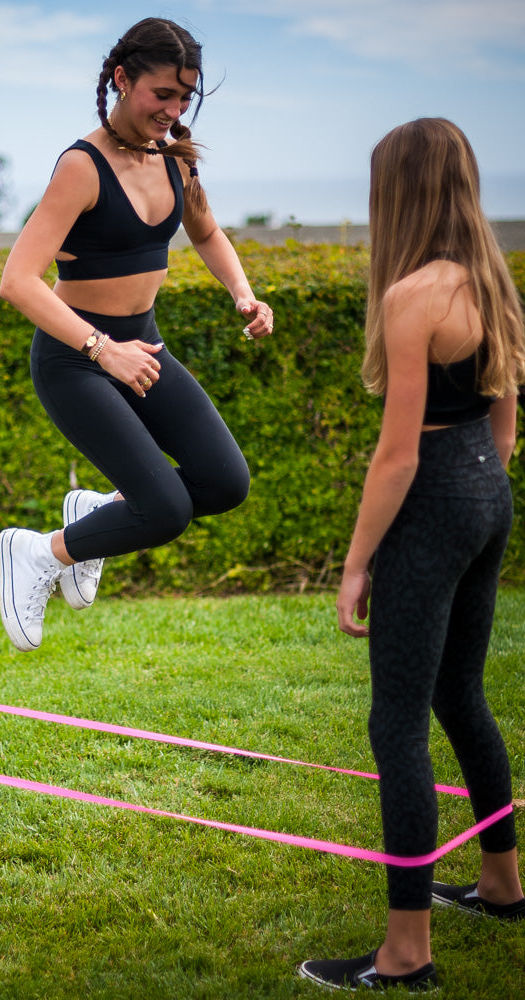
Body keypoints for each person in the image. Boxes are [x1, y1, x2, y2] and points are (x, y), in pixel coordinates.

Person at [298, 118, 525, 991]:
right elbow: (503, 422)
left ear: (398, 192)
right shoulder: (493, 281)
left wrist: (359, 563)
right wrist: (478, 498)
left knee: (397, 719)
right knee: (460, 693)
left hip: (434, 501)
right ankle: (503, 882)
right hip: (487, 497)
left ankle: (406, 951)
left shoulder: (412, 296)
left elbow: (397, 456)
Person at [0, 17, 273, 651]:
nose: (173, 111)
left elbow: (204, 231)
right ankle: (37, 554)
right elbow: (17, 280)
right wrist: (101, 349)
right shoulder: (81, 166)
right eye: (162, 96)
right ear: (122, 79)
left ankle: (95, 515)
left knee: (225, 482)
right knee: (167, 510)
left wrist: (244, 295)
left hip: (143, 350)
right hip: (76, 362)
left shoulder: (174, 157)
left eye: (185, 98)